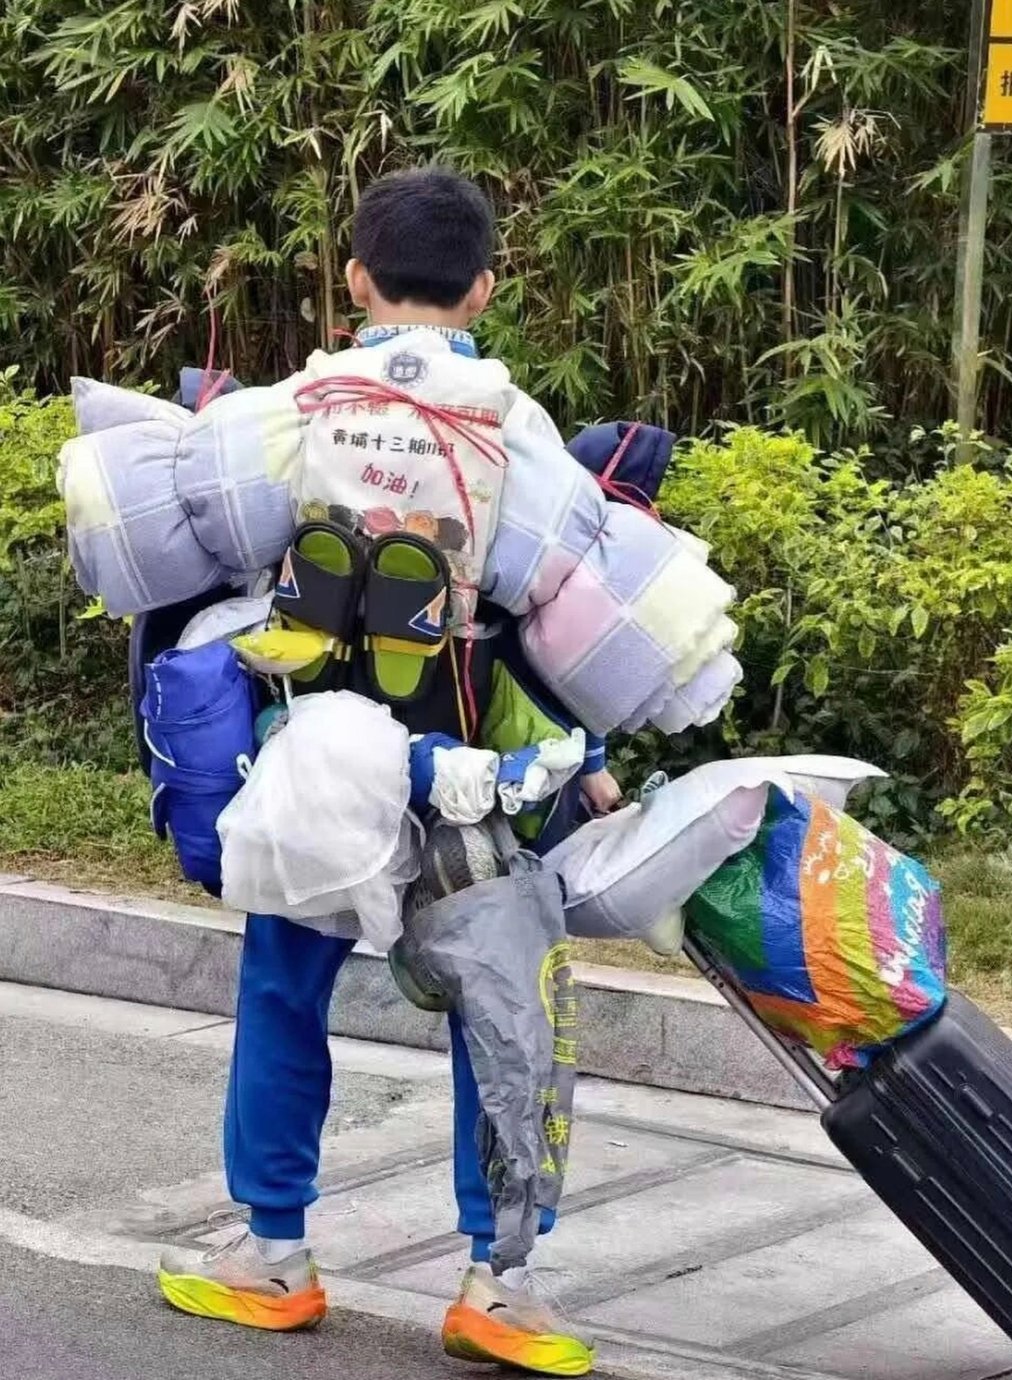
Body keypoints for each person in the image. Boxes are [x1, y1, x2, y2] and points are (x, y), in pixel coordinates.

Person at [156, 168, 609, 1378]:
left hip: (316, 756)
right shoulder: (513, 424)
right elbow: (561, 609)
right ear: (485, 290)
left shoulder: (296, 404)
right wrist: (590, 764)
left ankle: (276, 1261)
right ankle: (496, 1285)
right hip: (471, 762)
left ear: (353, 278)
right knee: (499, 1013)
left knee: (283, 995)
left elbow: (213, 556)